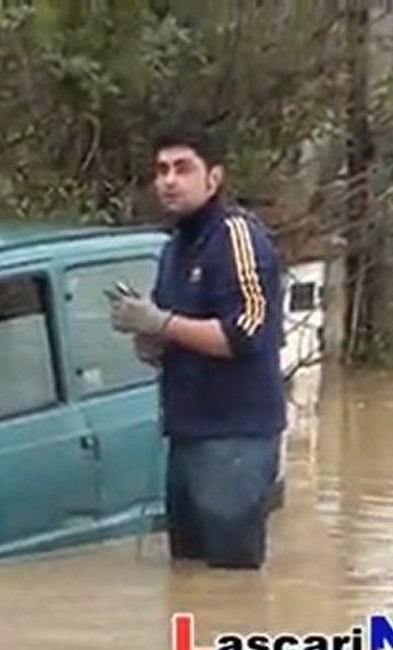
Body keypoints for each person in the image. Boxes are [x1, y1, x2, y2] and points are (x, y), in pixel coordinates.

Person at [107, 124, 286, 570]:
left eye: (182, 168)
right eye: (162, 170)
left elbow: (246, 334)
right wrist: (147, 338)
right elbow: (175, 334)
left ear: (214, 178)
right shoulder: (173, 249)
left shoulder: (237, 237)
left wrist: (161, 322)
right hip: (186, 436)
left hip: (236, 440)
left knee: (232, 587)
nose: (169, 180)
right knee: (187, 576)